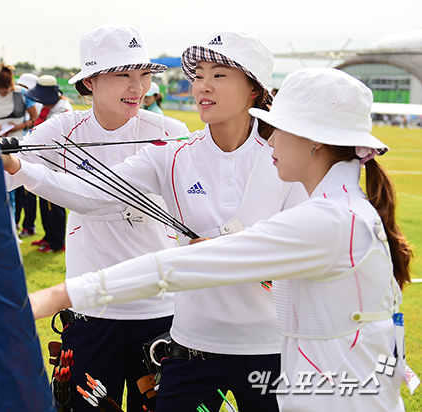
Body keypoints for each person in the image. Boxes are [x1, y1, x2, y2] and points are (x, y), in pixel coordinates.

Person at [23, 67, 413, 412]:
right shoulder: (342, 210)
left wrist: (56, 297)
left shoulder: (331, 220)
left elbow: (184, 265)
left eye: (278, 129)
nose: (270, 141)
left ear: (315, 140)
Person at [3, 30, 307, 411]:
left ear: (254, 88)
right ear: (90, 82)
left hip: (267, 346)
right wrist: (16, 165)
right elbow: (92, 195)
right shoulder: (172, 154)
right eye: (197, 76)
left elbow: (306, 246)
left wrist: (233, 252)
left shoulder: (282, 156)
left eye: (219, 75)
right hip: (189, 347)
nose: (202, 86)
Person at [4, 23, 189, 412]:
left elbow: (101, 199)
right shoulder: (62, 130)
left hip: (160, 310)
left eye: (143, 75)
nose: (136, 87)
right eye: (123, 75)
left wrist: (19, 167)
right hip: (92, 310)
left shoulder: (169, 132)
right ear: (89, 81)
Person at [21, 75, 73, 251]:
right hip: (45, 162)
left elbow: (49, 137)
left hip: (56, 164)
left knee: (54, 205)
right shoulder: (49, 107)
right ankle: (48, 237)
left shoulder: (62, 110)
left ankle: (57, 243)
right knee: (44, 202)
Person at [0, 63, 38, 225]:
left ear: (11, 85)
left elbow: (34, 119)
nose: (0, 94)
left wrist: (18, 126)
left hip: (17, 143)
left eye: (4, 92)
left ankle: (14, 223)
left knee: (15, 185)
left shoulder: (23, 95)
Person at [14, 73, 42, 236]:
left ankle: (28, 225)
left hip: (28, 150)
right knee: (20, 193)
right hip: (20, 149)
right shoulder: (28, 98)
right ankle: (19, 222)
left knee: (27, 192)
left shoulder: (33, 102)